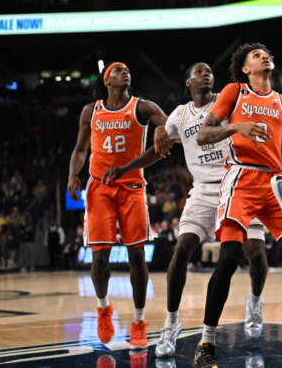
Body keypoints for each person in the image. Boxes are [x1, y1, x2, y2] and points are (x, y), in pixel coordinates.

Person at [103, 62, 271, 357]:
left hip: (238, 184)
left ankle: (255, 301)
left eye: (209, 71)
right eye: (199, 72)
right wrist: (129, 164)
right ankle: (171, 322)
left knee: (255, 252)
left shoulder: (227, 102)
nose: (206, 74)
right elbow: (158, 150)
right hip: (203, 191)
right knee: (181, 250)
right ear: (188, 82)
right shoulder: (180, 115)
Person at [191, 43, 282, 367]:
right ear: (246, 68)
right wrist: (236, 126)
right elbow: (203, 134)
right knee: (229, 257)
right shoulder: (235, 92)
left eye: (267, 53)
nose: (265, 56)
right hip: (241, 180)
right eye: (256, 55)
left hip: (276, 184)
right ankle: (207, 341)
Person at [66, 61, 168, 348]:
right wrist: (73, 174)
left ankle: (138, 321)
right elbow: (80, 149)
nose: (125, 72)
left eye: (127, 70)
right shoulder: (91, 111)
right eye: (118, 70)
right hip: (99, 188)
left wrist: (162, 130)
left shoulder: (143, 107)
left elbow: (169, 124)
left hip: (132, 187)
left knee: (137, 256)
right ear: (106, 80)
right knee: (100, 258)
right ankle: (103, 308)